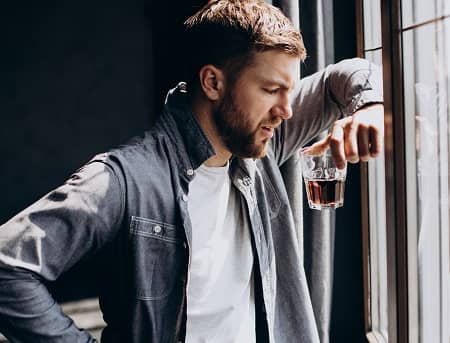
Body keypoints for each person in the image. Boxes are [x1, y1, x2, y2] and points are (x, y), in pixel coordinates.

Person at [0, 0, 384, 342]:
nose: (286, 110)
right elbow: (7, 267)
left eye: (289, 91)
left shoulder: (259, 146)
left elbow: (347, 76)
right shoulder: (124, 179)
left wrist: (368, 107)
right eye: (270, 90)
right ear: (213, 82)